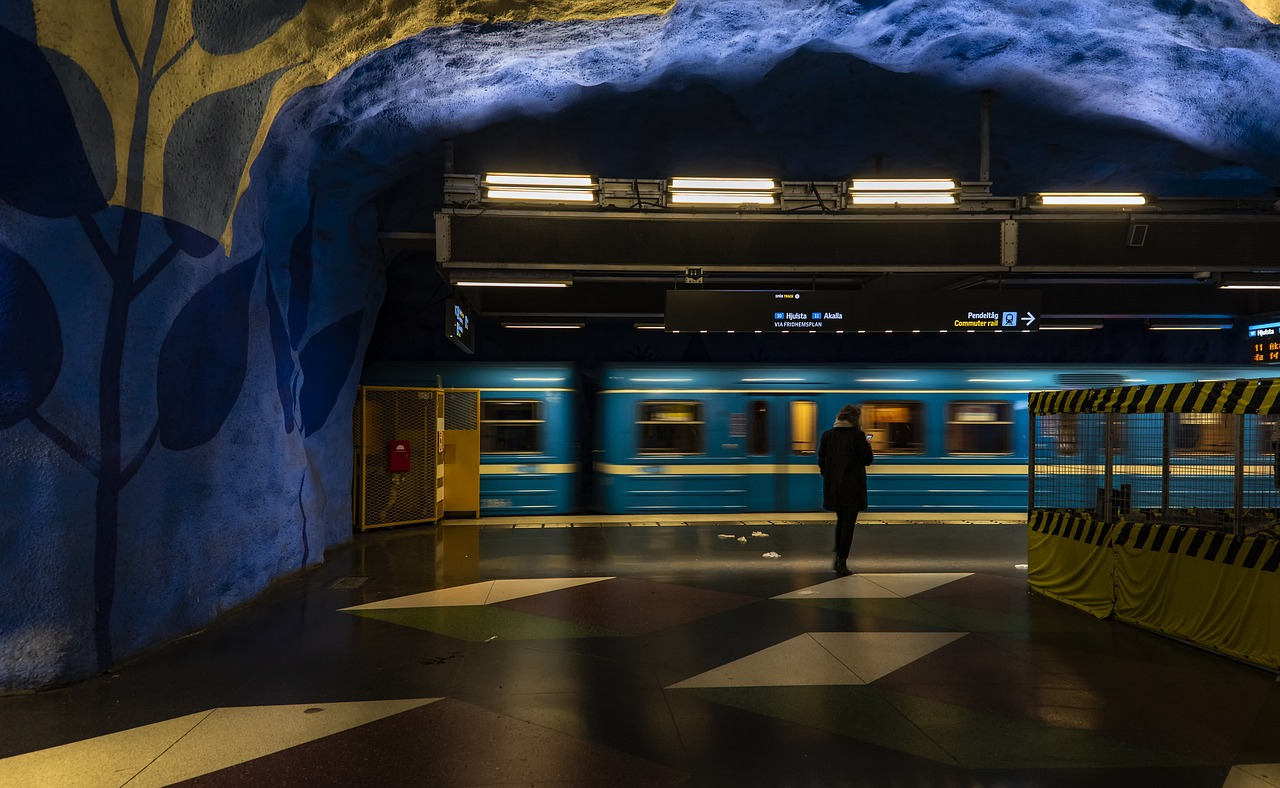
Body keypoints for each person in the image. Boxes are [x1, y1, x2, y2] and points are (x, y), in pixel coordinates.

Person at [818, 404, 874, 576]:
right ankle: (842, 563)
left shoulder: (827, 435)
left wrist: (831, 478)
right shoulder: (858, 436)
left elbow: (822, 462)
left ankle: (837, 558)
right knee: (848, 525)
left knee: (841, 521)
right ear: (855, 419)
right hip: (852, 488)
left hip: (834, 488)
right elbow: (867, 460)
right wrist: (868, 443)